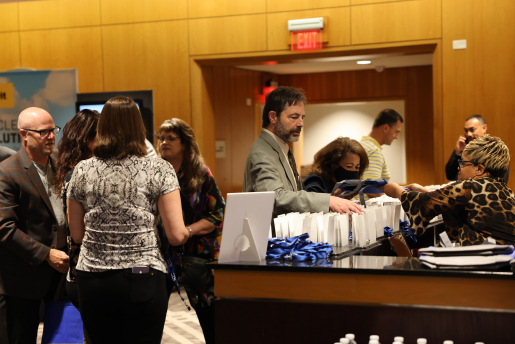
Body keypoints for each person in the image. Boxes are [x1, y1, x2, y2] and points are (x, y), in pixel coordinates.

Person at [67, 96, 189, 344]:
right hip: (142, 274)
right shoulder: (159, 169)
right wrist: (187, 232)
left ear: (103, 127)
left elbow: (77, 235)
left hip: (93, 279)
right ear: (138, 126)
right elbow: (176, 235)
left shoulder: (82, 169)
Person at [243, 86, 363, 227]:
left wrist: (333, 198)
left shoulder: (280, 146)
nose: (301, 123)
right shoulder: (262, 153)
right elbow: (274, 197)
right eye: (294, 117)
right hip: (271, 242)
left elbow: (295, 194)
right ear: (273, 117)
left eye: (302, 117)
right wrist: (327, 201)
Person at [0, 107, 68, 343]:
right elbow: (4, 229)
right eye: (43, 132)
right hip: (23, 278)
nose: (51, 136)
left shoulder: (62, 164)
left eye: (53, 130)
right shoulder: (7, 172)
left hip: (63, 274)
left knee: (64, 338)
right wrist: (46, 254)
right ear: (24, 134)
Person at [156, 118, 224, 344]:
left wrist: (187, 230)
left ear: (184, 143)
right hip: (162, 255)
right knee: (153, 317)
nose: (164, 142)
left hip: (198, 254)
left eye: (171, 138)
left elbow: (218, 214)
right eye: (161, 138)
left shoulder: (201, 173)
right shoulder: (154, 173)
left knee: (209, 316)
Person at [383, 135, 515, 246]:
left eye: (463, 164)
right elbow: (451, 203)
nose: (459, 168)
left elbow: (420, 204)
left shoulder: (471, 186)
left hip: (487, 266)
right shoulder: (506, 191)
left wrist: (395, 189)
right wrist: (425, 191)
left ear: (479, 169)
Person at [54, 109, 99, 343]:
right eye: (101, 135)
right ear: (88, 140)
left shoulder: (70, 171)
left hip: (79, 271)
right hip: (87, 271)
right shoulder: (81, 174)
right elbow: (79, 233)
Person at [445, 114, 509, 183]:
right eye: (466, 131)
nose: (468, 134)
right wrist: (457, 153)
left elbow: (500, 182)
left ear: (484, 128)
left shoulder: (494, 150)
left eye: (472, 130)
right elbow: (449, 175)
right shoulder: (465, 148)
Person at [360, 109, 403, 197]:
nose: (397, 137)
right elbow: (371, 190)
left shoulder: (361, 145)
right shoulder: (373, 151)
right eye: (397, 132)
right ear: (386, 128)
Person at [303, 137, 369, 194]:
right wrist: (335, 197)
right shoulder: (316, 181)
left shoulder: (341, 184)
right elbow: (310, 205)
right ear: (333, 164)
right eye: (349, 166)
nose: (353, 171)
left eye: (357, 167)